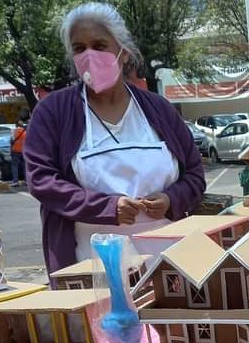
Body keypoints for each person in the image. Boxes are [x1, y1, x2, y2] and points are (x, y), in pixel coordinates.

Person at [24, 2, 205, 275]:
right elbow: (41, 180)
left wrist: (171, 199)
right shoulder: (53, 111)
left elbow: (194, 175)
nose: (89, 56)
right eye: (79, 48)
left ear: (123, 51)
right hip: (90, 264)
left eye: (99, 45)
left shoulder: (159, 109)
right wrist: (107, 208)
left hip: (168, 262)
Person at [10, 119, 27, 187]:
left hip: (15, 151)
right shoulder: (26, 131)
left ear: (16, 124)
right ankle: (27, 181)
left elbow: (11, 141)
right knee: (25, 165)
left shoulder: (13, 131)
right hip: (24, 150)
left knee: (14, 166)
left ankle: (15, 181)